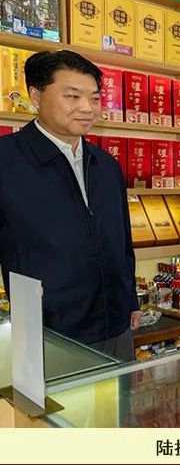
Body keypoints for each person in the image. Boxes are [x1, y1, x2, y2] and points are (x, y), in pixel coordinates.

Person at [0, 50, 140, 360]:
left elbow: (122, 243)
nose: (87, 108)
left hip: (117, 327)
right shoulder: (6, 161)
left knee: (121, 393)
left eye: (95, 98)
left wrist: (130, 299)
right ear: (36, 96)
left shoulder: (106, 165)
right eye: (73, 96)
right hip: (49, 335)